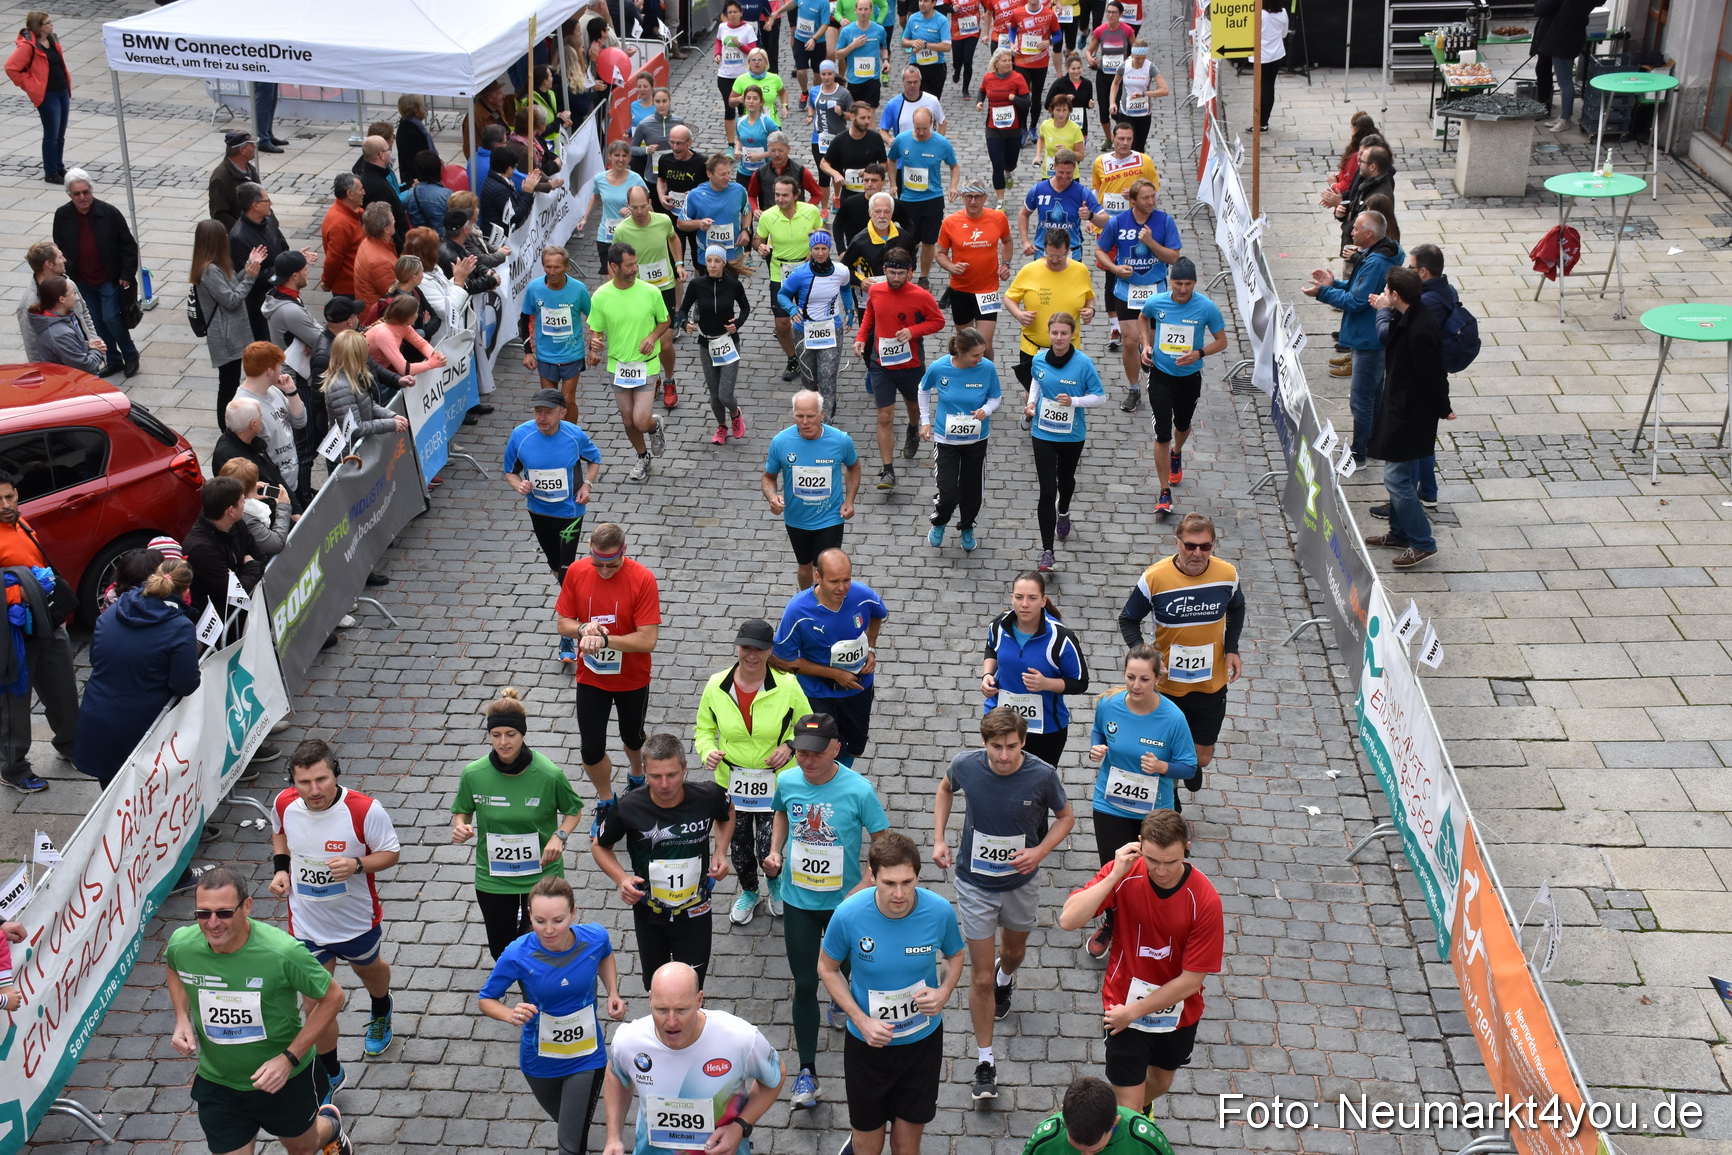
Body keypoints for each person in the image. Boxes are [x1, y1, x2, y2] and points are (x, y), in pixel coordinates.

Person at [163, 866, 353, 1155]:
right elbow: (174, 966)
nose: (212, 923)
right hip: (219, 1081)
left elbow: (333, 997)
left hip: (286, 1080)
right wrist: (181, 1019)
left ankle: (330, 1127)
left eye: (224, 913)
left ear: (247, 906)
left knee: (302, 1147)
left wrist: (289, 1058)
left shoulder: (282, 952)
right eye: (203, 913)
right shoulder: (183, 944)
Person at [932, 709, 1072, 1101]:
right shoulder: (966, 766)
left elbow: (1066, 817)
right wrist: (939, 838)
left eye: (1012, 746)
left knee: (1013, 952)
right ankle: (985, 1062)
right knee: (978, 978)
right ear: (984, 743)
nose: (1004, 755)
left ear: (1023, 742)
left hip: (1019, 882)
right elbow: (945, 789)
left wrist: (1040, 851)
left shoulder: (1043, 775)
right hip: (974, 881)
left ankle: (1005, 977)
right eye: (996, 747)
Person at [1057, 811, 1223, 1113]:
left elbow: (1191, 980)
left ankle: (1140, 1112)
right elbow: (1068, 920)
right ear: (1139, 845)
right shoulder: (1122, 874)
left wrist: (1134, 1012)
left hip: (1176, 1012)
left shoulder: (1205, 900)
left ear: (1186, 848)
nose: (1160, 870)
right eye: (1152, 859)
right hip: (1121, 1006)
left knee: (1161, 1081)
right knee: (1128, 1112)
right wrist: (1114, 875)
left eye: (1170, 861)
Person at [765, 713, 890, 1108]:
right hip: (800, 901)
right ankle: (807, 1073)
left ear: (836, 748)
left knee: (851, 979)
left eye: (816, 753)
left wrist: (866, 882)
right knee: (805, 983)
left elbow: (882, 839)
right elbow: (781, 812)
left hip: (845, 907)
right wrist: (774, 850)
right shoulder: (786, 781)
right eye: (801, 751)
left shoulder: (859, 790)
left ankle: (843, 1005)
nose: (807, 760)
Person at [268, 738, 404, 1094]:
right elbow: (279, 835)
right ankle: (331, 1073)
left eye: (321, 780)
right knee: (315, 1004)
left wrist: (357, 864)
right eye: (304, 783)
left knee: (369, 970)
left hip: (356, 922)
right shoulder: (284, 803)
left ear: (335, 774)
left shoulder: (363, 810)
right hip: (307, 925)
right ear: (293, 782)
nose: (314, 790)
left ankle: (380, 1007)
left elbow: (390, 853)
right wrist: (281, 870)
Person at [818, 832, 965, 1146]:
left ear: (917, 876)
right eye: (889, 884)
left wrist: (944, 992)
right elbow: (827, 969)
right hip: (867, 1048)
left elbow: (955, 954)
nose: (899, 893)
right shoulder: (848, 914)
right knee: (869, 1145)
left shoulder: (939, 912)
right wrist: (862, 1021)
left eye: (907, 882)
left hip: (921, 1045)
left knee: (906, 1144)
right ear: (873, 876)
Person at [479, 876, 626, 1155]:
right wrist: (510, 1014)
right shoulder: (516, 954)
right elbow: (486, 999)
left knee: (569, 1143)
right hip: (539, 1060)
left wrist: (613, 992)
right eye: (539, 921)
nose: (548, 930)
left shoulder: (594, 938)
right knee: (566, 1119)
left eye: (558, 920)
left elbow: (605, 954)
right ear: (530, 917)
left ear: (573, 912)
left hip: (587, 1055)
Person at [1077, 645, 1197, 958]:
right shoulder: (1109, 704)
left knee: (1154, 869)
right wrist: (1096, 749)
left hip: (1154, 811)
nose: (1136, 685)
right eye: (1131, 677)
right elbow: (1097, 732)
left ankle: (1151, 926)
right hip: (1111, 803)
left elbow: (1190, 765)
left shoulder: (1173, 718)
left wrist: (1162, 768)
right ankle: (1113, 921)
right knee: (1114, 867)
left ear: (1158, 678)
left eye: (1144, 678)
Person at [452, 687, 586, 960]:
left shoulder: (548, 774)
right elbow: (462, 811)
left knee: (539, 947)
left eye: (510, 734)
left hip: (540, 875)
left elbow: (574, 811)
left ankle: (536, 997)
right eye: (496, 735)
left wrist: (559, 836)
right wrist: (461, 826)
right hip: (493, 876)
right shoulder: (473, 774)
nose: (503, 742)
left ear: (522, 734)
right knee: (501, 950)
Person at [695, 619, 812, 926]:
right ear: (737, 647)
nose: (752, 655)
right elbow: (704, 730)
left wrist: (789, 746)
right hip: (731, 781)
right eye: (746, 647)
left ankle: (775, 886)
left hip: (774, 781)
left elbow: (807, 725)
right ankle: (749, 891)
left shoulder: (787, 686)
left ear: (770, 650)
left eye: (759, 649)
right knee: (741, 848)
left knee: (766, 847)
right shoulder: (717, 686)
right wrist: (708, 752)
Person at [593, 734, 734, 989]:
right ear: (644, 772)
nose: (665, 784)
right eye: (655, 776)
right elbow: (599, 847)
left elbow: (727, 811)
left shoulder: (707, 795)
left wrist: (721, 852)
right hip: (649, 911)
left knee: (691, 986)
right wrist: (621, 879)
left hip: (695, 909)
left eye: (672, 775)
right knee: (655, 987)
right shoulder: (628, 807)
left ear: (685, 769)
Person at [1117, 513, 1245, 795]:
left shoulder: (1227, 575)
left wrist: (1232, 648)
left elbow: (1237, 607)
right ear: (1177, 543)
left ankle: (1192, 766)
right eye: (1190, 545)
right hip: (1167, 685)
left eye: (1205, 546)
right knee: (1166, 753)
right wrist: (1145, 655)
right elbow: (1128, 619)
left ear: (1214, 545)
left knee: (1202, 756)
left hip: (1210, 682)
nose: (1197, 553)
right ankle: (1170, 799)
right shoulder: (1155, 577)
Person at [601, 961, 783, 1155]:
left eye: (682, 1010)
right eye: (661, 1010)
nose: (671, 1022)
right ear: (650, 999)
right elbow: (615, 1074)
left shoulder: (740, 1038)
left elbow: (776, 1075)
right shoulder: (629, 1040)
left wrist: (740, 1126)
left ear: (699, 1000)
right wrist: (613, 1138)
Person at [556, 523, 662, 817]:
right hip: (591, 677)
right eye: (597, 563)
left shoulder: (642, 579)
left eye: (612, 564)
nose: (604, 571)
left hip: (631, 678)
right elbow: (563, 622)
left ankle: (637, 773)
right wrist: (581, 628)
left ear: (624, 551)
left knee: (632, 738)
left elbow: (647, 640)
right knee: (590, 748)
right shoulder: (577, 572)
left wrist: (603, 640)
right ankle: (606, 800)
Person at [70, 559, 198, 786]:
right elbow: (184, 683)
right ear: (185, 590)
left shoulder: (111, 614)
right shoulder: (180, 628)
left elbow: (96, 659)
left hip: (98, 720)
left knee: (111, 800)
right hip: (143, 730)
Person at [1362, 267, 1452, 570]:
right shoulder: (1410, 314)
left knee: (1396, 479)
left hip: (1412, 414)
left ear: (1396, 295)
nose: (1385, 295)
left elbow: (1433, 373)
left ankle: (1423, 542)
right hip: (1401, 406)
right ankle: (1400, 534)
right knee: (1399, 475)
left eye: (1387, 291)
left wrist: (1444, 407)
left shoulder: (1421, 327)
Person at [0, 469, 81, 793]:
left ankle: (72, 745)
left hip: (44, 624)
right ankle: (14, 768)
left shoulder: (20, 522)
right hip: (12, 635)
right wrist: (20, 592)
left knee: (62, 690)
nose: (6, 504)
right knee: (13, 707)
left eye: (10, 496)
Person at [770, 550, 887, 767]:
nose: (842, 588)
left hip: (859, 688)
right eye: (834, 581)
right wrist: (834, 674)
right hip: (817, 693)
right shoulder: (798, 610)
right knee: (821, 748)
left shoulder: (862, 595)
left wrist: (871, 648)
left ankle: (839, 776)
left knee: (853, 748)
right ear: (817, 576)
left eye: (846, 580)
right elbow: (780, 660)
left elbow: (879, 614)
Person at [1302, 210, 1398, 464]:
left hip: (1368, 339)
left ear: (1369, 234)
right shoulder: (1377, 253)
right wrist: (1333, 284)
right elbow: (1359, 289)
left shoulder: (1376, 261)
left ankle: (1360, 452)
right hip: (1371, 335)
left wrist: (1322, 293)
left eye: (1355, 229)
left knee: (1362, 399)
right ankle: (1373, 442)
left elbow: (1356, 301)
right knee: (1373, 395)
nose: (1351, 232)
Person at [1137, 257, 1225, 515]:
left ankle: (1177, 452)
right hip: (1161, 374)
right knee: (1162, 431)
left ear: (1195, 283)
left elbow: (1222, 341)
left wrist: (1199, 353)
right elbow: (1143, 318)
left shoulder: (1206, 308)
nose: (1182, 289)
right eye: (1178, 283)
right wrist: (1147, 344)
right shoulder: (1157, 302)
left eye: (1188, 284)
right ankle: (1164, 492)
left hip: (1189, 377)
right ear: (1170, 281)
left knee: (1182, 425)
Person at [856, 251, 944, 490]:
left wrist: (913, 331)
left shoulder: (920, 295)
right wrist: (862, 338)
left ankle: (913, 429)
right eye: (892, 272)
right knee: (884, 416)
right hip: (881, 364)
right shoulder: (875, 290)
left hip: (910, 364)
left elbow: (938, 321)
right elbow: (870, 316)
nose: (895, 278)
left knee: (913, 407)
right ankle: (888, 471)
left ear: (910, 273)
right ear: (884, 270)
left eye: (901, 273)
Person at [982, 570, 1090, 765]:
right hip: (1001, 721)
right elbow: (991, 647)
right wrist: (987, 674)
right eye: (1019, 597)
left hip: (1045, 729)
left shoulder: (1061, 638)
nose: (1024, 604)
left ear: (1043, 600)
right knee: (1002, 780)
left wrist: (1047, 683)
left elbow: (1080, 683)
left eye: (1032, 598)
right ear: (1011, 598)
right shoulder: (998, 625)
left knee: (1039, 790)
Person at [1024, 313, 1103, 569]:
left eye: (1064, 333)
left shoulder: (1083, 364)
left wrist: (1075, 401)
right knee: (1047, 491)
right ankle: (1048, 551)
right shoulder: (1038, 358)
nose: (1058, 338)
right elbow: (1037, 380)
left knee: (1065, 480)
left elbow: (1100, 397)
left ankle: (1065, 510)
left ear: (1072, 334)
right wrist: (1030, 403)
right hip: (1043, 431)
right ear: (1049, 334)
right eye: (1054, 333)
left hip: (1072, 434)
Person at [586, 244, 673, 480]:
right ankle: (642, 456)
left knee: (640, 420)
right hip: (618, 366)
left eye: (636, 264)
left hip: (646, 364)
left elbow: (665, 321)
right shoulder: (602, 296)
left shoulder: (650, 292)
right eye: (629, 265)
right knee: (628, 420)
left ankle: (654, 426)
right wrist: (595, 347)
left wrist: (652, 337)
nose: (635, 269)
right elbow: (596, 330)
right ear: (614, 267)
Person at [505, 389, 603, 596]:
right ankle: (574, 597)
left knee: (567, 567)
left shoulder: (574, 435)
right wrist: (519, 485)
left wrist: (586, 485)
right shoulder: (520, 435)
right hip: (539, 511)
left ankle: (576, 608)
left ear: (562, 413)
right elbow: (510, 472)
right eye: (537, 411)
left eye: (548, 412)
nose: (542, 417)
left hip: (570, 512)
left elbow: (595, 459)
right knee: (555, 564)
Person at [763, 391, 861, 588]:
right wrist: (772, 497)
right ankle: (805, 602)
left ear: (822, 414)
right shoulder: (781, 442)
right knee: (805, 567)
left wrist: (849, 500)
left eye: (810, 416)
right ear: (793, 415)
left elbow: (854, 467)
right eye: (800, 416)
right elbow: (768, 477)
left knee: (824, 570)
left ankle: (823, 607)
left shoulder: (840, 441)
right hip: (796, 519)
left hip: (829, 518)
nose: (805, 422)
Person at [918, 328, 1001, 552]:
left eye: (982, 354)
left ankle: (966, 527)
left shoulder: (987, 368)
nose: (980, 359)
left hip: (976, 440)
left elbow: (996, 396)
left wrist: (986, 409)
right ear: (959, 352)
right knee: (948, 493)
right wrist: (925, 421)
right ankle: (940, 522)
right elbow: (923, 390)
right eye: (975, 355)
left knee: (972, 490)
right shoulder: (940, 368)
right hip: (946, 440)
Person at [51, 169, 139, 376]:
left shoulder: (109, 213)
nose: (82, 197)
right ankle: (114, 359)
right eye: (77, 194)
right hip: (81, 281)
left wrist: (126, 274)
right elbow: (60, 245)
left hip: (108, 278)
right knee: (96, 323)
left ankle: (130, 354)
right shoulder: (63, 215)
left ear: (91, 190)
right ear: (69, 195)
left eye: (86, 192)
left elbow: (128, 245)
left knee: (111, 318)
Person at [678, 245, 753, 442]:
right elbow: (682, 310)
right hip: (706, 345)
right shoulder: (696, 285)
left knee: (725, 395)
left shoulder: (733, 285)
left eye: (717, 261)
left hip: (728, 344)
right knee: (714, 395)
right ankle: (722, 426)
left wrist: (737, 324)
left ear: (723, 263)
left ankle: (735, 414)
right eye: (709, 260)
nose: (712, 265)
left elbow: (745, 308)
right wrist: (686, 323)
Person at [1003, 229, 1096, 390]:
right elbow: (1009, 298)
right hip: (1033, 348)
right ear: (1044, 249)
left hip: (1069, 349)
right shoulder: (1029, 270)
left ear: (1068, 251)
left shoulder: (1080, 270)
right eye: (1049, 255)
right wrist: (1019, 314)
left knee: (1063, 391)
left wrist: (1091, 310)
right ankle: (1030, 413)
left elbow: (1089, 297)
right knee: (1032, 391)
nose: (1054, 260)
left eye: (1059, 256)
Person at [936, 181, 1013, 358]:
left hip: (987, 291)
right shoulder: (951, 222)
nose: (973, 201)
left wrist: (1005, 264)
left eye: (977, 197)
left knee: (984, 345)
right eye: (969, 197)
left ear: (985, 198)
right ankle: (968, 378)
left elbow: (1007, 241)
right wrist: (951, 267)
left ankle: (987, 378)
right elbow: (940, 253)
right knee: (967, 345)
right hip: (960, 290)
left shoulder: (998, 218)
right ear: (962, 197)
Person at [885, 109, 958, 284]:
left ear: (932, 123)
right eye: (917, 128)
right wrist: (893, 183)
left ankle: (924, 276)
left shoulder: (942, 144)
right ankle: (907, 271)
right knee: (909, 239)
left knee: (929, 241)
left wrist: (953, 186)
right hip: (908, 200)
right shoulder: (902, 139)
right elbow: (891, 159)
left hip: (932, 199)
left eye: (925, 128)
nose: (921, 132)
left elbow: (954, 166)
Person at [521, 246, 596, 417]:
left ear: (567, 266)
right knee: (550, 403)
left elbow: (594, 319)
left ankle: (571, 437)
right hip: (546, 356)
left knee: (567, 400)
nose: (552, 272)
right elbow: (525, 319)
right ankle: (554, 438)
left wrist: (593, 348)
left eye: (557, 267)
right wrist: (528, 352)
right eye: (548, 267)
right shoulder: (534, 289)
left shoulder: (578, 289)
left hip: (572, 354)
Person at [1023, 1076, 1178, 1155]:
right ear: (1063, 1114)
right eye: (1077, 1149)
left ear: (1115, 1122)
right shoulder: (1043, 1140)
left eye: (1097, 1150)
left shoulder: (1146, 1143)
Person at [7, 11, 68, 184]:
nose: (52, 24)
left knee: (61, 134)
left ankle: (58, 166)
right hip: (47, 95)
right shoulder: (28, 46)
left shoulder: (52, 39)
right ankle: (50, 172)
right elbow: (11, 68)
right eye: (48, 23)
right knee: (52, 134)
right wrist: (29, 85)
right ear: (38, 27)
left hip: (62, 90)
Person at [1019, 150, 1108, 265]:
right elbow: (1023, 214)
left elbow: (1105, 221)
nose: (1065, 177)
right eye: (1061, 172)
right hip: (1043, 253)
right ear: (1054, 166)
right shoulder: (1039, 190)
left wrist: (1091, 216)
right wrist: (1025, 241)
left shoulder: (1082, 192)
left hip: (1072, 254)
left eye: (1069, 173)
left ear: (1074, 169)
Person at [679, 153, 753, 282]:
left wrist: (746, 230)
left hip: (732, 255)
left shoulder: (739, 191)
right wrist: (699, 223)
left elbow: (747, 211)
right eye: (722, 174)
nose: (727, 178)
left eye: (729, 173)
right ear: (709, 174)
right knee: (707, 296)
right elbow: (681, 223)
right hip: (708, 257)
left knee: (728, 296)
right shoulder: (695, 195)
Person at [14, 240, 93, 362]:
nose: (65, 260)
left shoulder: (68, 284)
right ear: (49, 264)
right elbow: (33, 349)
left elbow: (84, 314)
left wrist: (94, 341)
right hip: (62, 372)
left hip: (86, 359)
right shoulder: (28, 304)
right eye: (60, 257)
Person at [585, 142, 649, 276]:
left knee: (631, 272)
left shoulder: (636, 179)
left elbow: (648, 207)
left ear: (629, 158)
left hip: (630, 233)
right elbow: (596, 197)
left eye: (625, 156)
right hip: (606, 235)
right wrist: (585, 218)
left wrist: (632, 210)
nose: (621, 159)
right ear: (609, 156)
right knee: (609, 274)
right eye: (617, 155)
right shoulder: (600, 179)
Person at [213, 397, 293, 505]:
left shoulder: (251, 441)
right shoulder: (227, 456)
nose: (262, 419)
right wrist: (285, 508)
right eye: (261, 416)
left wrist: (294, 506)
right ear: (253, 424)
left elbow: (275, 475)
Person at [977, 50, 1032, 204]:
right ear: (996, 63)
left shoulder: (1018, 78)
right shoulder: (988, 78)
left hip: (1014, 129)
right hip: (993, 129)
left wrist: (1013, 98)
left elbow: (1027, 103)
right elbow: (982, 91)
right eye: (1004, 61)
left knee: (1011, 163)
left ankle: (1009, 172)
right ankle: (1000, 200)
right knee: (997, 165)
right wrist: (979, 102)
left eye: (1010, 60)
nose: (1008, 63)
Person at [1535, 0, 1597, 133]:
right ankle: (1563, 116)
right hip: (1569, 37)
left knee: (1565, 82)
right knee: (1564, 81)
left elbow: (1544, 7)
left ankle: (1565, 119)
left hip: (1563, 38)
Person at [822, 102, 889, 223]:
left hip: (871, 194)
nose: (867, 121)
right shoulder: (840, 139)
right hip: (848, 194)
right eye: (863, 118)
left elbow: (885, 165)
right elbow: (824, 163)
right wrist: (835, 174)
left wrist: (872, 171)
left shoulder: (875, 138)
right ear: (852, 117)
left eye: (869, 118)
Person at [25, 275, 103, 373]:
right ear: (62, 299)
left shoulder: (57, 319)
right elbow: (85, 366)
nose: (75, 296)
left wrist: (88, 345)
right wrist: (97, 351)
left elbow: (69, 349)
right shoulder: (60, 334)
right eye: (72, 293)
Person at [219, 457, 292, 559]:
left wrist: (249, 491)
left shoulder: (216, 498)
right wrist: (283, 507)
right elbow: (277, 544)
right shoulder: (248, 519)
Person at [806, 62, 854, 214]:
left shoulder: (844, 93)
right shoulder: (815, 91)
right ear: (820, 75)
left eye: (829, 74)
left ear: (834, 74)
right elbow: (811, 105)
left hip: (838, 138)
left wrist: (841, 113)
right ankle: (824, 208)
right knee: (823, 175)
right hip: (819, 139)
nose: (826, 77)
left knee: (837, 171)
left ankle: (837, 196)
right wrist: (810, 116)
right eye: (823, 74)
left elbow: (852, 115)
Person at [1085, 5, 1134, 145]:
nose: (1110, 15)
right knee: (1103, 110)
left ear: (1120, 14)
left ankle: (1119, 138)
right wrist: (1090, 58)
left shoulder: (1126, 30)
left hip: (1120, 76)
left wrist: (1130, 62)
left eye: (1114, 13)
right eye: (1108, 12)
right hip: (1103, 74)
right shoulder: (1100, 31)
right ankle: (1108, 139)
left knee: (1117, 110)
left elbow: (1136, 48)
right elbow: (1089, 51)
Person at [1334, 145, 1394, 255]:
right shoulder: (1366, 181)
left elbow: (1364, 228)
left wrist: (1347, 224)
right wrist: (1342, 212)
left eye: (1362, 161)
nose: (1358, 163)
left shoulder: (1379, 196)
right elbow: (1354, 207)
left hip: (1361, 254)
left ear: (1372, 166)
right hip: (1355, 250)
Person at [714, 1, 762, 142]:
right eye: (730, 12)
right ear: (726, 15)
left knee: (743, 110)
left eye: (735, 12)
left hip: (743, 77)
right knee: (729, 109)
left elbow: (753, 52)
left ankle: (743, 142)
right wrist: (717, 54)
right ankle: (730, 144)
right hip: (725, 76)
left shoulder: (747, 29)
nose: (733, 15)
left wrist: (740, 45)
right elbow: (718, 41)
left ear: (741, 13)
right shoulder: (722, 27)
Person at [1107, 43, 1166, 153]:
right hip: (1125, 112)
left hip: (1144, 113)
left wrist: (1144, 94)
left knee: (1139, 148)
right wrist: (1112, 102)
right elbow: (1115, 84)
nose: (1140, 61)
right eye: (1137, 58)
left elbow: (1164, 90)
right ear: (1132, 55)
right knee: (1126, 146)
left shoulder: (1150, 67)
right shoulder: (1125, 66)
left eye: (1143, 58)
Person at [747, 133, 823, 213]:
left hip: (794, 219)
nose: (776, 154)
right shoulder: (760, 173)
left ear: (788, 149)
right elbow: (751, 195)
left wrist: (804, 211)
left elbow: (817, 194)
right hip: (770, 219)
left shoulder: (801, 171)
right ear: (768, 149)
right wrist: (755, 209)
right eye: (773, 150)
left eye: (781, 150)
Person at [318, 174, 366, 299]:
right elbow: (333, 259)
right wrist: (326, 282)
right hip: (349, 289)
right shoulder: (340, 223)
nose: (364, 192)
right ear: (350, 194)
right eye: (360, 189)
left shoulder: (351, 212)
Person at [835, 1, 891, 107]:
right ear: (855, 11)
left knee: (870, 113)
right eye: (860, 9)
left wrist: (885, 60)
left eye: (866, 9)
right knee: (855, 116)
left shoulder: (879, 30)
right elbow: (838, 55)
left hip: (872, 79)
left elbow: (883, 47)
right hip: (854, 80)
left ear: (871, 11)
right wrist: (853, 45)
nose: (863, 12)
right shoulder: (847, 31)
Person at [209, 131, 261, 231]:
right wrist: (245, 231)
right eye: (251, 145)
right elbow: (220, 215)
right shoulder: (220, 178)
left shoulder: (251, 170)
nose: (255, 147)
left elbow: (261, 199)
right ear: (242, 150)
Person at [351, 203, 398, 312]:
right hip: (379, 319)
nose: (395, 221)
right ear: (386, 229)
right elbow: (395, 296)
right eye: (392, 218)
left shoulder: (368, 242)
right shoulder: (379, 261)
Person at [880, 66, 948, 141]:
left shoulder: (932, 100)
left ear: (920, 82)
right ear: (903, 82)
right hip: (904, 149)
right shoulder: (893, 104)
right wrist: (890, 141)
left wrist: (937, 142)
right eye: (909, 82)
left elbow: (942, 122)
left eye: (915, 82)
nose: (912, 85)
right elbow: (883, 130)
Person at [901, 0, 952, 97]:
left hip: (936, 67)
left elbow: (947, 46)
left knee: (933, 102)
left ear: (933, 3)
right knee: (920, 100)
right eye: (920, 1)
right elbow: (904, 41)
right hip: (917, 66)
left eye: (926, 1)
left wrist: (926, 45)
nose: (922, 4)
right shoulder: (913, 19)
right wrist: (913, 43)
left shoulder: (942, 20)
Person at [1251, 0, 1287, 133]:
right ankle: (1264, 121)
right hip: (1277, 54)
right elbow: (1284, 34)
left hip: (1262, 56)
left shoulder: (1260, 15)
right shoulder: (1283, 13)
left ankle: (1260, 122)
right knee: (1269, 87)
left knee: (1262, 89)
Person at [1034, 95, 1086, 180]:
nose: (1061, 114)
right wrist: (1038, 156)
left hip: (1069, 176)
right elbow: (1041, 139)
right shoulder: (1045, 125)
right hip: (1049, 174)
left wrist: (1066, 152)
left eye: (1064, 110)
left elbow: (1081, 156)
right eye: (1058, 110)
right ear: (1052, 110)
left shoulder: (1075, 129)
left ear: (1069, 111)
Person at [1047, 53, 1096, 141]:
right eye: (1073, 69)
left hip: (1080, 126)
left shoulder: (1087, 84)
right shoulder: (1059, 84)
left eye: (1079, 68)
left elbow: (1087, 102)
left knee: (1078, 153)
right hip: (1061, 126)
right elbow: (1047, 104)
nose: (1076, 71)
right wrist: (1063, 98)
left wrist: (1090, 105)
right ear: (1067, 69)